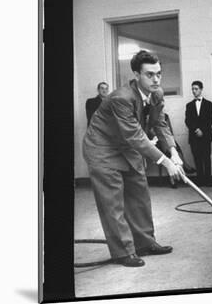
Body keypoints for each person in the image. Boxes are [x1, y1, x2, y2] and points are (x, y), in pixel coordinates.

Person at [82, 50, 184, 267]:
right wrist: (164, 162)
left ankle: (145, 243)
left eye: (159, 74)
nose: (156, 79)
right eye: (150, 74)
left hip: (127, 148)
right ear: (137, 74)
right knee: (113, 202)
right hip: (103, 149)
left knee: (139, 195)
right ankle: (122, 252)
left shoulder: (157, 94)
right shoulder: (121, 98)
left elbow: (160, 124)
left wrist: (173, 152)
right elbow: (135, 135)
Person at [185, 81, 212, 186]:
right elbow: (187, 121)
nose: (194, 91)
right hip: (194, 137)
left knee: (206, 158)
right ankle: (200, 181)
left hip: (206, 136)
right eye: (192, 89)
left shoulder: (208, 104)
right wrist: (196, 130)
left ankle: (208, 181)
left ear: (201, 89)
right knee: (197, 158)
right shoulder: (189, 105)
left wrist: (202, 130)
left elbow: (210, 120)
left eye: (196, 89)